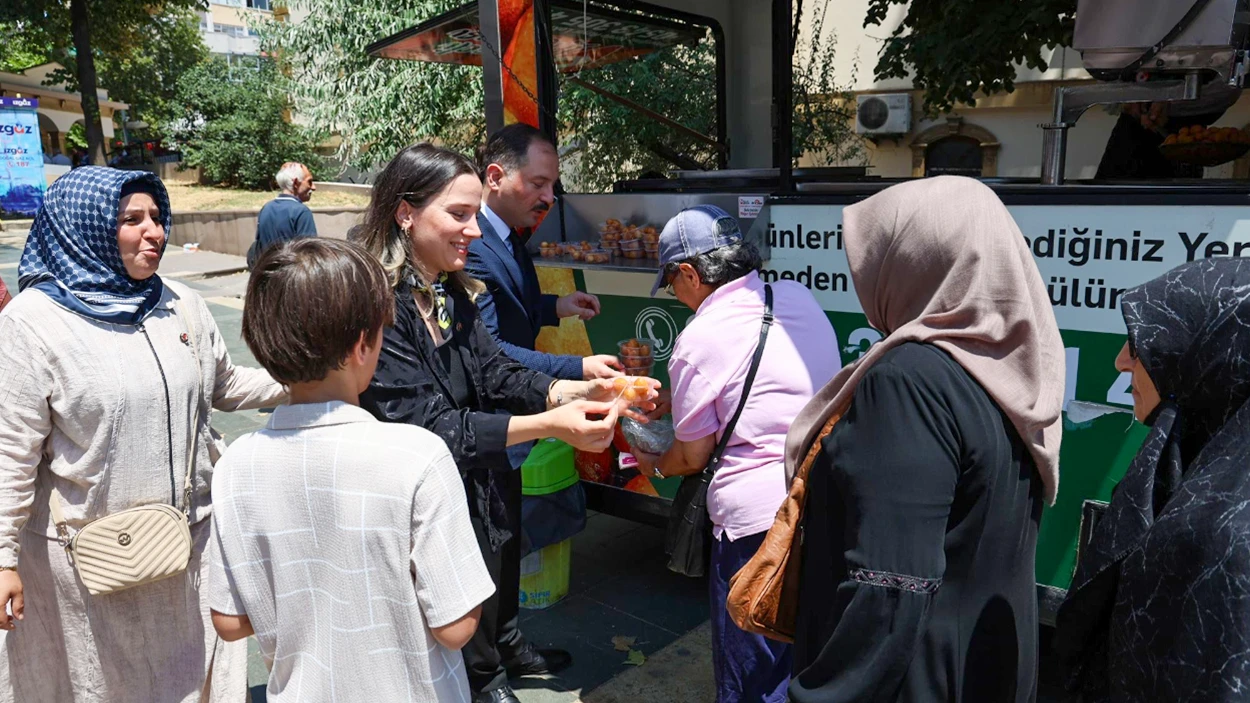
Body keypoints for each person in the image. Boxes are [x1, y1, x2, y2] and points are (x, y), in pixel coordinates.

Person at [355, 143, 657, 703]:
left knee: (490, 581)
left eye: (475, 214)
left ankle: (493, 668)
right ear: (405, 212)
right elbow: (434, 428)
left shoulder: (449, 289)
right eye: (459, 215)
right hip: (416, 497)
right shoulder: (381, 304)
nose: (473, 230)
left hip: (474, 477)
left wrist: (578, 388)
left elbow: (494, 371)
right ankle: (483, 682)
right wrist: (552, 424)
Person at [0, 167, 287, 702]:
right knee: (103, 684)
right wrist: (3, 558)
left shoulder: (180, 304)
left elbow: (222, 385)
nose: (154, 230)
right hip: (87, 565)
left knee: (195, 678)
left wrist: (309, 379)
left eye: (156, 216)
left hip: (188, 550)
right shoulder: (33, 324)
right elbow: (9, 454)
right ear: (82, 228)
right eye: (132, 219)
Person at [784, 176, 1065, 703]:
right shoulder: (1013, 374)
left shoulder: (909, 383)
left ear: (913, 263)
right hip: (986, 667)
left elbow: (887, 586)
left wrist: (821, 694)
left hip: (913, 681)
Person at [208, 237, 495, 701]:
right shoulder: (418, 458)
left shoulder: (237, 465)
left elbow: (230, 620)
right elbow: (456, 626)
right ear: (363, 344)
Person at [630, 205, 841, 703]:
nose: (678, 298)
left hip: (756, 531)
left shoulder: (701, 336)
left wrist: (651, 461)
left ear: (688, 272)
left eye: (673, 283)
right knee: (802, 656)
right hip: (820, 500)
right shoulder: (795, 296)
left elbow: (691, 456)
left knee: (751, 673)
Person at [1054, 258, 1250, 702]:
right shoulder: (1201, 474)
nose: (1122, 361)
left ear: (1207, 360)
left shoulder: (1222, 538)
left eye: (1145, 345)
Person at [470, 123, 620, 383]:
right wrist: (578, 368)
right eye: (538, 184)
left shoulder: (509, 233)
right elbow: (490, 351)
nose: (549, 198)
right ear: (494, 177)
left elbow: (512, 305)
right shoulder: (470, 244)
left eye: (552, 185)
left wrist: (558, 306)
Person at [1095, 86, 1240, 179]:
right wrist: (1128, 96)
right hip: (1133, 138)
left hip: (1188, 138)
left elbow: (1230, 87)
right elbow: (1104, 78)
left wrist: (1167, 97)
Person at [248, 161, 318, 268]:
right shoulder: (301, 212)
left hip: (266, 278)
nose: (313, 187)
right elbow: (308, 255)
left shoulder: (266, 208)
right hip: (289, 279)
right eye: (309, 181)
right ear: (295, 183)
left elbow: (259, 246)